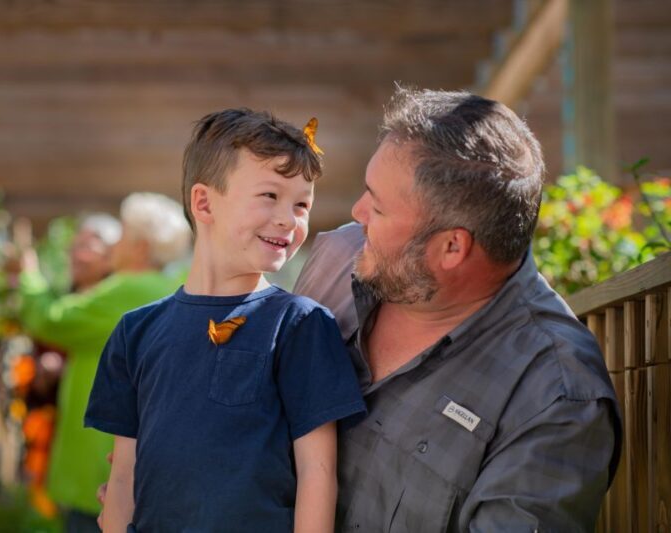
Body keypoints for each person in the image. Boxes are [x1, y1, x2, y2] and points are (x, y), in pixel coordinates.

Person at [293, 87, 621, 531]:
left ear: (452, 247)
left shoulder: (554, 396)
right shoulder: (338, 258)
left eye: (380, 208)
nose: (358, 212)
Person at [84, 109, 366, 533]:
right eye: (269, 196)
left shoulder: (301, 326)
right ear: (204, 202)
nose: (290, 219)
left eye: (302, 204)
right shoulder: (136, 332)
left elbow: (317, 473)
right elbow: (125, 474)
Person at [19, 194, 191, 532]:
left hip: (104, 459)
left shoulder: (126, 290)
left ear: (141, 247)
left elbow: (49, 320)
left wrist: (29, 274)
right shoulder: (173, 287)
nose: (115, 245)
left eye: (123, 235)